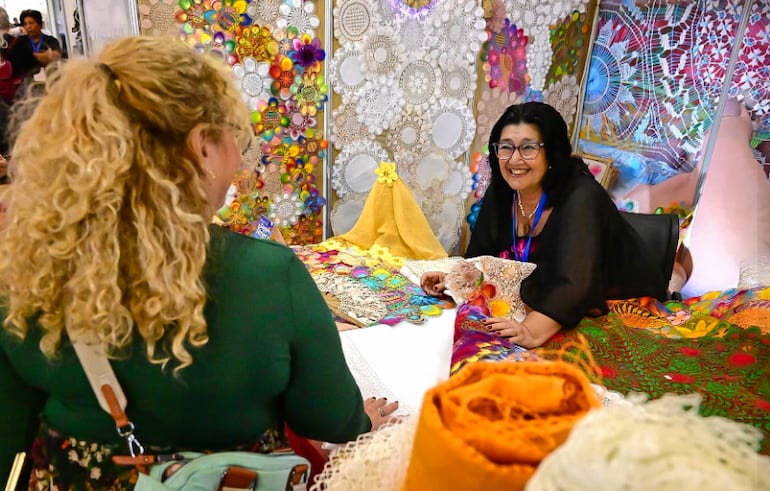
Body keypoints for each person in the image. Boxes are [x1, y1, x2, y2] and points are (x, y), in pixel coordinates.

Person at [0, 36, 397, 489]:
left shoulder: (24, 274)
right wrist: (361, 421)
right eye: (235, 137)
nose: (238, 161)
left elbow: (10, 432)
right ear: (201, 146)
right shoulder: (269, 276)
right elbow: (330, 418)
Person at [421, 102, 667, 348]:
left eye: (528, 148)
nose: (514, 160)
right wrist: (455, 280)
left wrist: (530, 332)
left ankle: (677, 271)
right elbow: (482, 256)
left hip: (617, 304)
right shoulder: (502, 192)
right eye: (506, 148)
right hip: (546, 300)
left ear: (552, 152)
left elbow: (575, 284)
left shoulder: (581, 196)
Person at [7, 9, 61, 84]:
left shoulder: (51, 40)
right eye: (25, 24)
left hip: (49, 80)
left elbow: (55, 56)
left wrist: (28, 56)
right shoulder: (21, 41)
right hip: (26, 83)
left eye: (31, 23)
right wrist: (43, 56)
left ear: (40, 24)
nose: (28, 27)